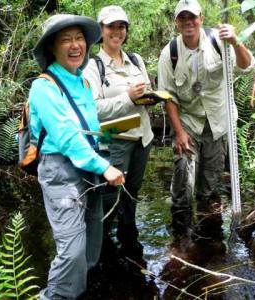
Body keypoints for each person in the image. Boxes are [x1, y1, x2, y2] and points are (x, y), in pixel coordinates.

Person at [30, 14, 125, 299]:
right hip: (61, 172)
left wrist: (109, 142)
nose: (75, 45)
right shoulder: (44, 87)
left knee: (92, 244)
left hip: (89, 167)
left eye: (79, 38)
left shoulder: (82, 82)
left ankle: (80, 292)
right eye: (66, 39)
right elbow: (66, 136)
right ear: (52, 48)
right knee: (71, 252)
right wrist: (104, 167)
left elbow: (89, 128)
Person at [157, 0, 255, 242]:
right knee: (183, 176)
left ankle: (209, 243)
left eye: (192, 17)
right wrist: (179, 132)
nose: (188, 22)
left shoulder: (219, 42)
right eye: (183, 18)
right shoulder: (170, 53)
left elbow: (247, 65)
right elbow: (168, 97)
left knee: (210, 188)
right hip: (188, 121)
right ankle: (181, 238)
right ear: (177, 22)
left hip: (218, 122)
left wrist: (235, 41)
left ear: (200, 18)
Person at [83, 5, 153, 264]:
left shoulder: (136, 60)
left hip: (142, 139)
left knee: (132, 194)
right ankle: (99, 253)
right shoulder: (93, 66)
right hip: (114, 140)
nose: (117, 31)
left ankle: (129, 242)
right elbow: (93, 110)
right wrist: (128, 98)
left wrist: (149, 98)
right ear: (101, 30)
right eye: (111, 26)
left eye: (121, 26)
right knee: (110, 198)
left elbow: (142, 95)